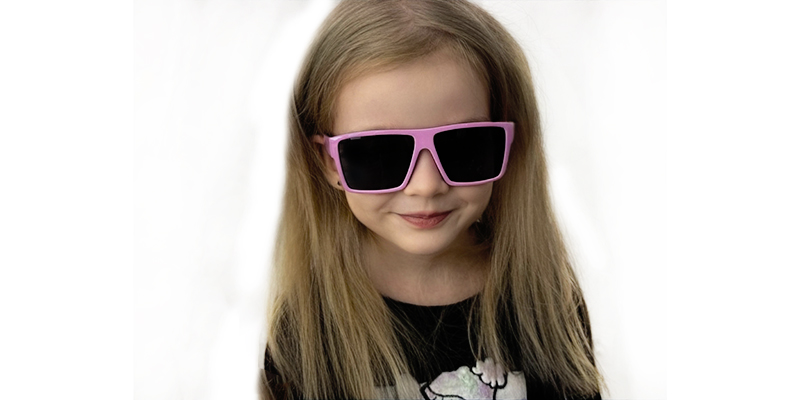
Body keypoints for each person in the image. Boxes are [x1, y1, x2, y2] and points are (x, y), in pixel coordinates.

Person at [261, 0, 603, 398]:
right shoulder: (304, 329)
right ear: (329, 162)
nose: (426, 186)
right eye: (380, 153)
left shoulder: (544, 300)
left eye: (463, 146)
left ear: (509, 145)